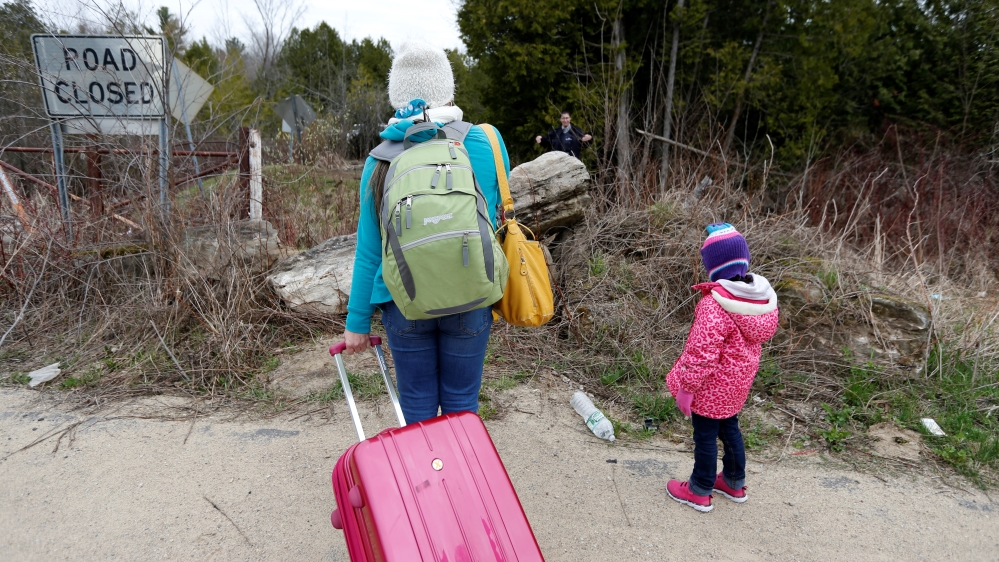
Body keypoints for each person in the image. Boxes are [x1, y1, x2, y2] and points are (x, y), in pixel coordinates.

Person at [341, 40, 512, 424]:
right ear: (448, 88)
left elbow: (369, 250)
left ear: (396, 94)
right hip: (471, 292)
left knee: (416, 404)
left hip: (403, 302)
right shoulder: (485, 142)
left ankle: (424, 482)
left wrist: (356, 322)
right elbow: (497, 213)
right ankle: (461, 481)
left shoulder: (380, 160)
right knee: (462, 403)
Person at [665, 223, 780, 512]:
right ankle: (733, 481)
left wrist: (686, 389)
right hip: (737, 385)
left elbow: (701, 353)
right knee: (730, 430)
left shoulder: (714, 305)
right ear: (744, 261)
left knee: (704, 436)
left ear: (712, 267)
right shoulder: (760, 299)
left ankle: (699, 488)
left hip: (709, 386)